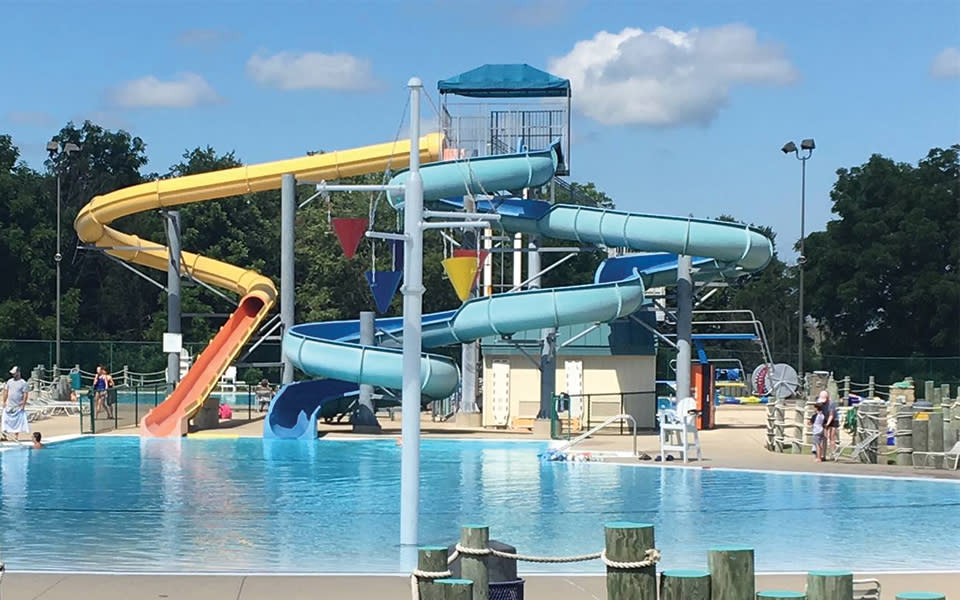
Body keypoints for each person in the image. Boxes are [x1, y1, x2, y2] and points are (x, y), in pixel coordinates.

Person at [2, 366, 31, 442]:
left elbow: (25, 394)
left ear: (18, 373)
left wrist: (23, 405)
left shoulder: (23, 383)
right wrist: (4, 401)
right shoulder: (9, 381)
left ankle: (16, 436)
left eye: (14, 373)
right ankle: (4, 435)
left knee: (17, 421)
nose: (13, 375)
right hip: (9, 404)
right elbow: (6, 392)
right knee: (5, 420)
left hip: (18, 405)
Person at [818, 390, 840, 457]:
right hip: (825, 417)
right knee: (824, 437)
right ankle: (823, 454)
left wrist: (827, 424)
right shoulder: (819, 402)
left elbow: (831, 415)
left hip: (833, 420)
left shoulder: (831, 403)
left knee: (832, 437)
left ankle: (833, 453)